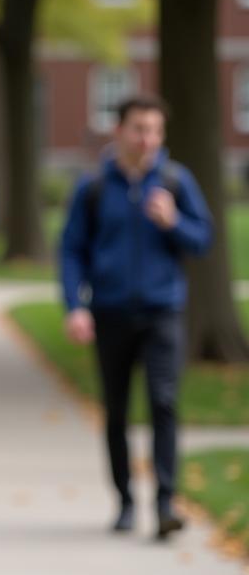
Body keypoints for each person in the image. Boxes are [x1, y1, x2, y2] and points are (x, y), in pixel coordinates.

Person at [59, 93, 212, 539]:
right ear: (120, 130)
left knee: (164, 403)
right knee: (117, 411)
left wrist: (174, 223)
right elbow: (71, 250)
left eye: (155, 130)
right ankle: (126, 501)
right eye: (139, 129)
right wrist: (75, 307)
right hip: (109, 312)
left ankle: (165, 503)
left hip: (163, 310)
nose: (147, 139)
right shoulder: (94, 187)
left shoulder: (175, 181)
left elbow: (202, 240)